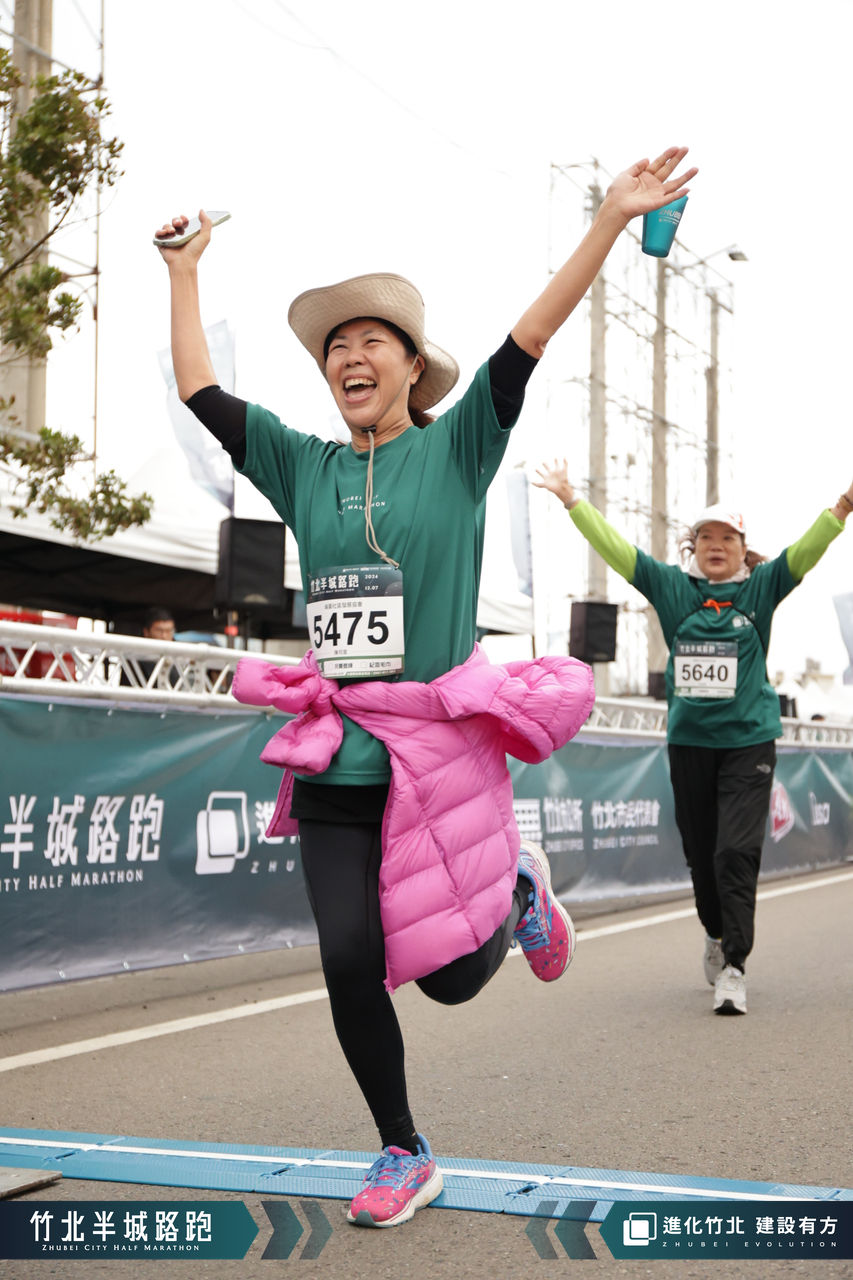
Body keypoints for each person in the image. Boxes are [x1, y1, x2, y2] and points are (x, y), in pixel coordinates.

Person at [155, 145, 697, 1228]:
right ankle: (402, 1149)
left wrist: (606, 221)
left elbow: (529, 337)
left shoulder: (458, 452)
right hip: (336, 756)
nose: (348, 356)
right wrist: (184, 272)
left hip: (434, 754)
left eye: (371, 341)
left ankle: (516, 894)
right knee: (349, 959)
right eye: (334, 347)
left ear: (412, 368)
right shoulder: (304, 464)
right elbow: (200, 392)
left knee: (448, 977)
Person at [534, 460, 853, 1017]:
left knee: (736, 852)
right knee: (702, 858)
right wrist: (571, 500)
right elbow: (620, 552)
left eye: (727, 538)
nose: (716, 546)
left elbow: (805, 552)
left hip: (749, 743)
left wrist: (843, 507)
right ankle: (715, 931)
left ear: (743, 550)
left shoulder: (762, 589)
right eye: (706, 537)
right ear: (694, 547)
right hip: (690, 745)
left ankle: (735, 966)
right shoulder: (673, 590)